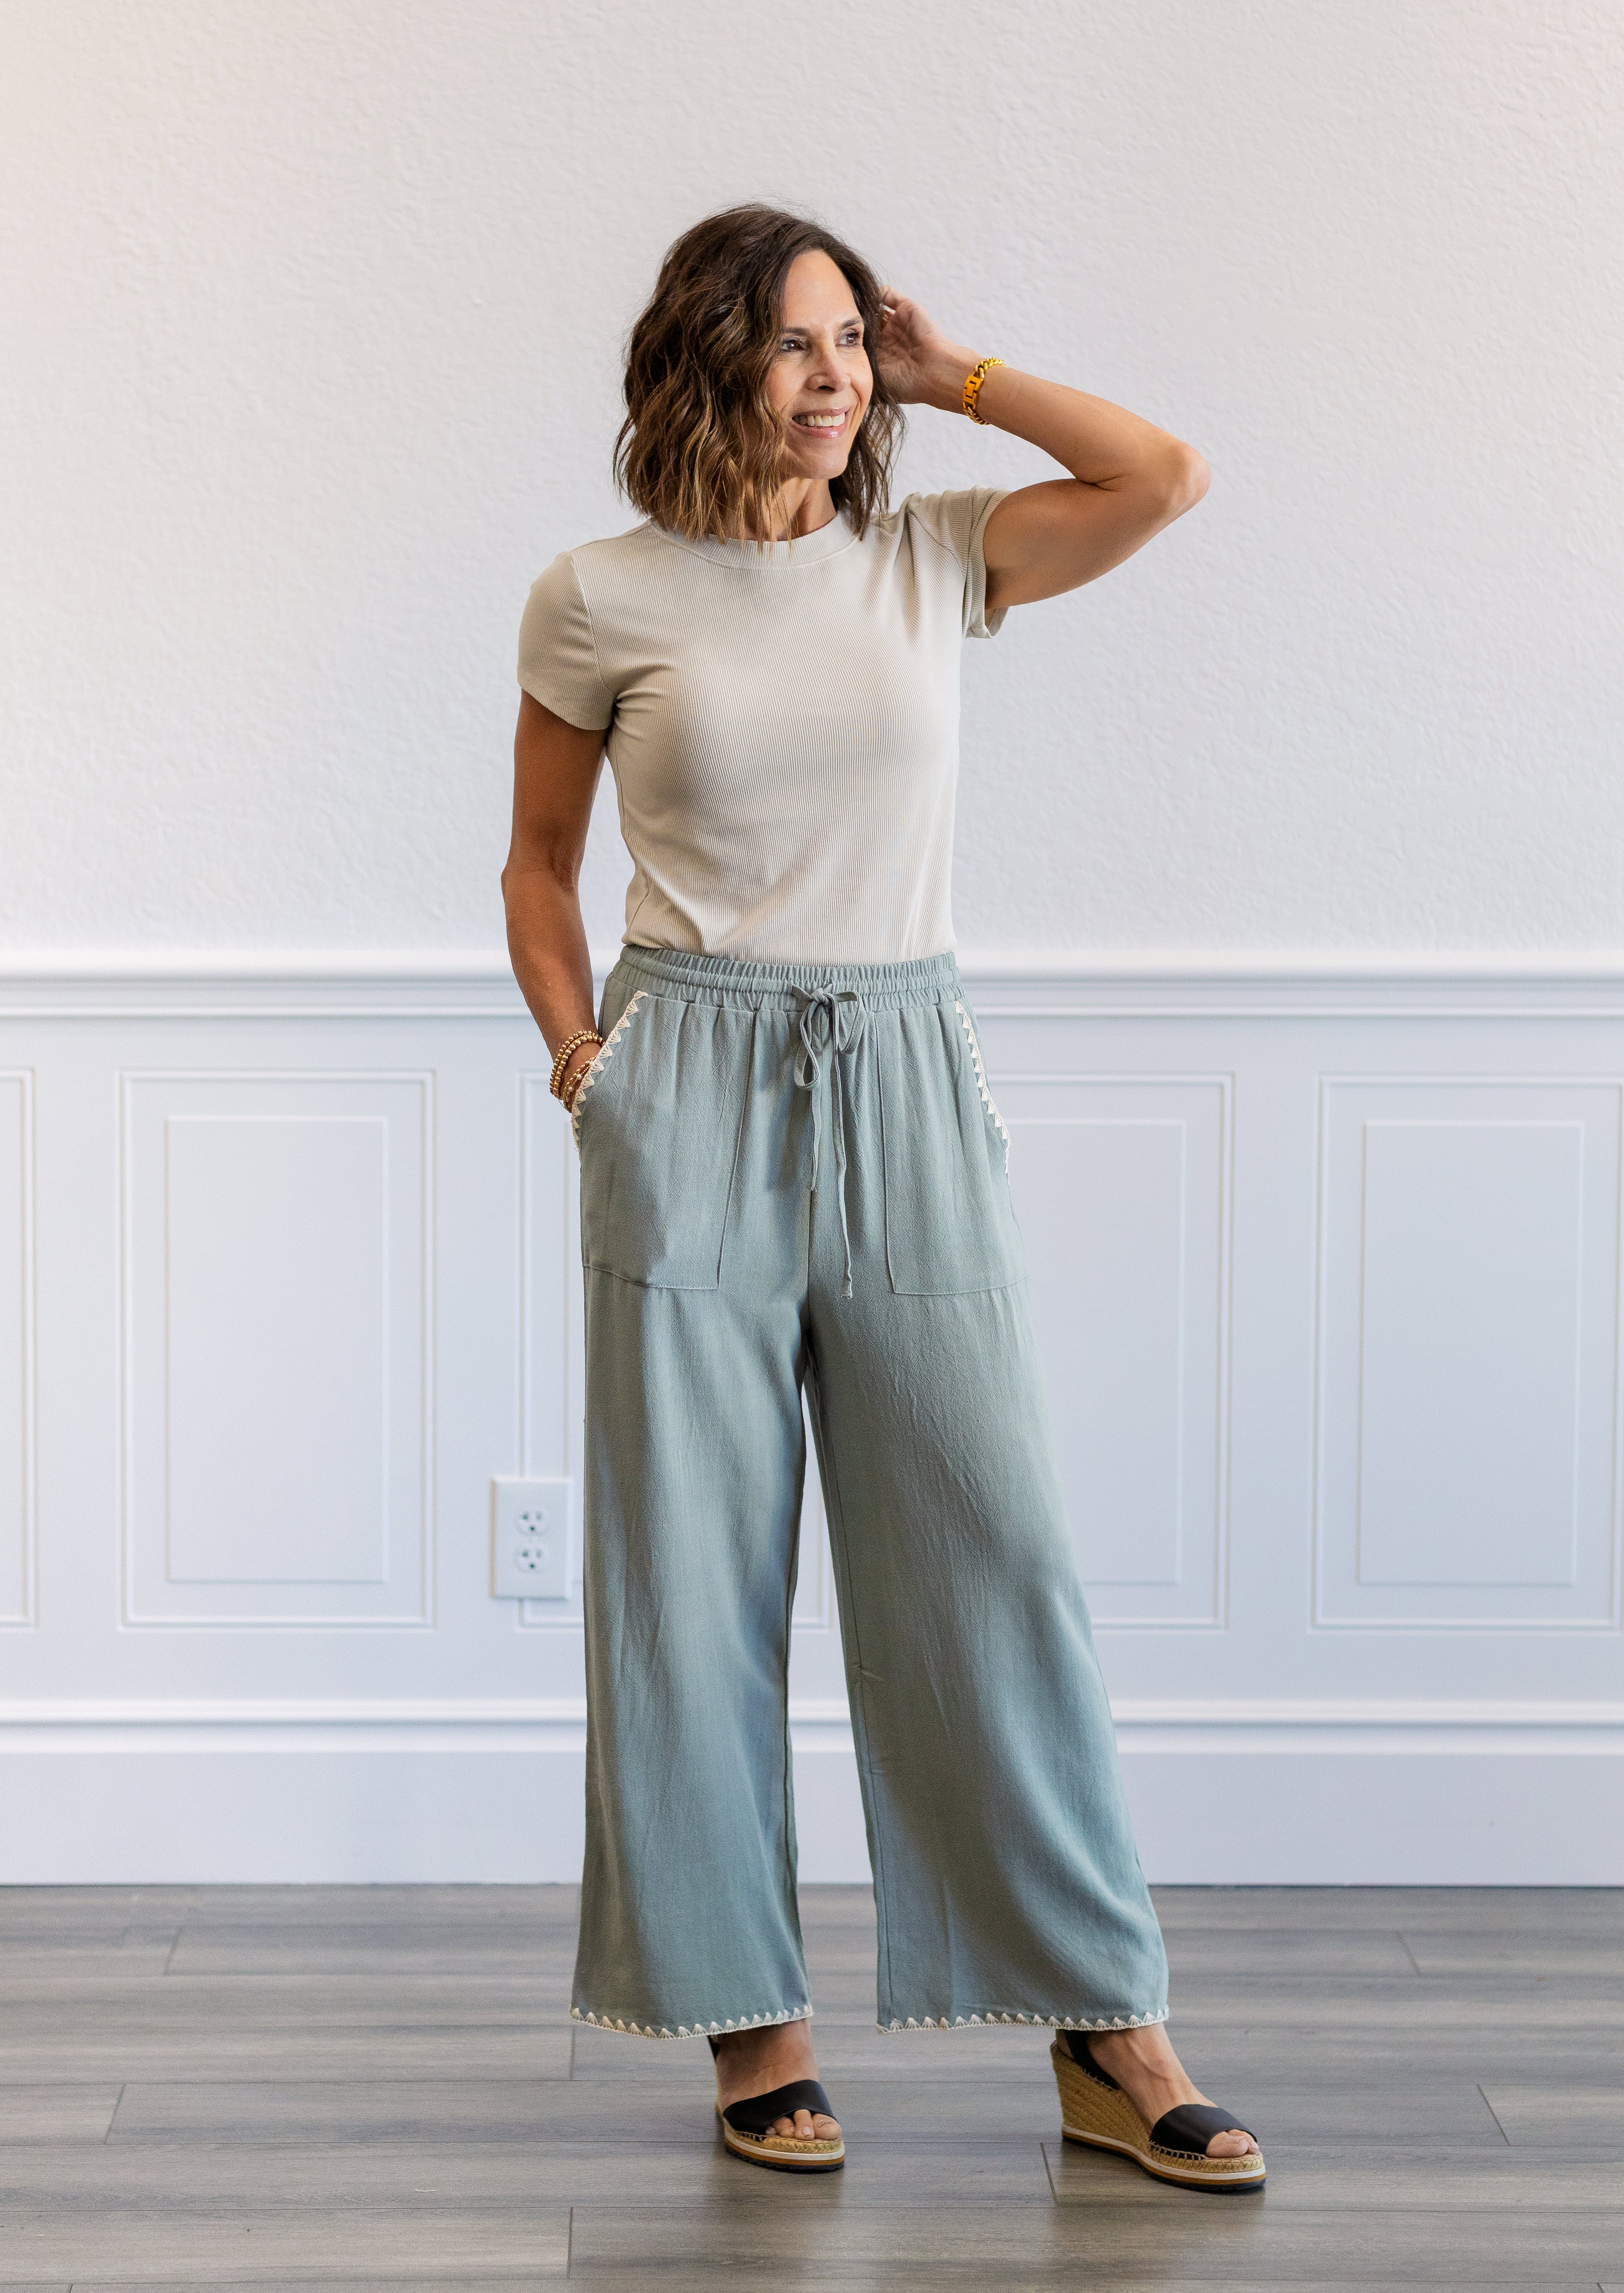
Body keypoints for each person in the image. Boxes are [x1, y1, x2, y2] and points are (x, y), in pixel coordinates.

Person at [503, 204, 1263, 2193]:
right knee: (689, 1567)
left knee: (989, 1540)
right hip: (685, 1073)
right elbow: (534, 864)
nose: (834, 375)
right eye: (796, 342)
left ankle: (1106, 2024)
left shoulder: (930, 557)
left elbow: (1160, 476)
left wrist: (957, 372)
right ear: (705, 363)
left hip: (906, 1062)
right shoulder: (597, 595)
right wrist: (586, 1065)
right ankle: (751, 2025)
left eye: (852, 340)